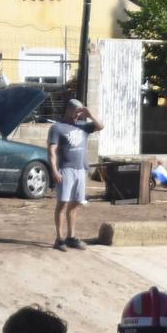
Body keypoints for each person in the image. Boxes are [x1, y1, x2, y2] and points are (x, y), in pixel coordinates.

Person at [48, 98, 102, 252]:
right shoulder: (57, 128)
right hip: (66, 170)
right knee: (63, 203)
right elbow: (51, 151)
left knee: (76, 203)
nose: (79, 116)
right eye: (77, 112)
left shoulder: (83, 126)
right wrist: (54, 170)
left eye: (80, 113)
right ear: (69, 110)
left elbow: (100, 126)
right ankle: (59, 239)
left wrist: (90, 114)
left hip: (81, 169)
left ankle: (71, 237)